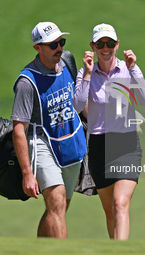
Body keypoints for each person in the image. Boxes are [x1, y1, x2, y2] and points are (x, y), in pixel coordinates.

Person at [11, 22, 86, 239]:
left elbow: (78, 103)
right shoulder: (27, 82)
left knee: (60, 207)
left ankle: (41, 249)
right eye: (52, 45)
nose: (59, 48)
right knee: (56, 200)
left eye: (61, 42)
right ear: (37, 48)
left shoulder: (67, 61)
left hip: (70, 140)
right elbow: (18, 129)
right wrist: (27, 173)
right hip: (42, 143)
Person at [73, 23, 145, 240]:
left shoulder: (128, 68)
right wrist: (87, 74)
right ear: (93, 46)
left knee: (120, 203)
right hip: (98, 146)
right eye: (100, 43)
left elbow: (144, 99)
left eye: (110, 43)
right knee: (110, 211)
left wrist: (134, 68)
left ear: (117, 45)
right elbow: (78, 105)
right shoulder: (85, 72)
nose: (105, 48)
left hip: (126, 144)